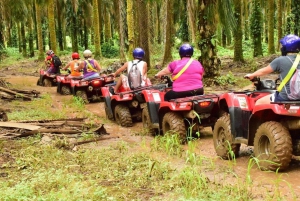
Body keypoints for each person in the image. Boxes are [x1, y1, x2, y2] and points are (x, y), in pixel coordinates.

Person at [244, 34, 300, 105]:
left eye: (282, 46)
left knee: (259, 102)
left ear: (286, 47)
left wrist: (252, 75)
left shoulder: (280, 60)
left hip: (285, 97)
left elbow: (264, 71)